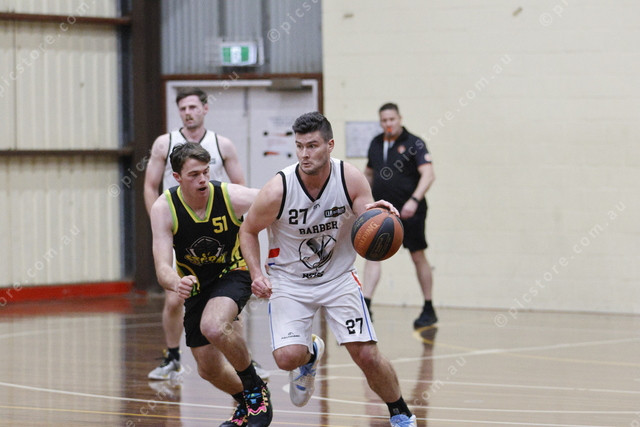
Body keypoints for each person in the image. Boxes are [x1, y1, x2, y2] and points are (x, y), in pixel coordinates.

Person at [239, 112, 418, 427]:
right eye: (299, 146)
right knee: (286, 358)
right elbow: (248, 230)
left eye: (312, 146)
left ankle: (401, 413)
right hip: (290, 281)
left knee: (366, 354)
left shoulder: (349, 178)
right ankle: (309, 355)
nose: (305, 154)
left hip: (338, 278)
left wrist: (380, 214)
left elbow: (367, 217)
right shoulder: (278, 190)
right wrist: (256, 274)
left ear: (330, 145)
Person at [144, 87, 268, 381]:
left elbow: (242, 187)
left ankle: (243, 362)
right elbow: (150, 185)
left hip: (218, 224)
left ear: (205, 108)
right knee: (175, 296)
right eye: (183, 108)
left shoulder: (222, 144)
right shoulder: (164, 144)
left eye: (193, 107)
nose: (188, 113)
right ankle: (172, 356)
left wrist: (241, 226)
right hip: (181, 226)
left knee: (227, 308)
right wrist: (160, 223)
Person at [150, 142, 272, 427]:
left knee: (214, 325)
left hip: (233, 271)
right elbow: (162, 268)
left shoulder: (230, 195)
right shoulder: (164, 208)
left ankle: (255, 389)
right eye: (194, 175)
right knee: (208, 369)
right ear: (177, 177)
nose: (203, 179)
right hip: (195, 285)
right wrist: (177, 282)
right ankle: (246, 404)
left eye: (206, 172)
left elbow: (277, 200)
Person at [363, 103, 437, 329]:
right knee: (372, 255)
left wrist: (414, 200)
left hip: (410, 211)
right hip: (383, 213)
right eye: (384, 120)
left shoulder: (414, 143)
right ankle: (366, 306)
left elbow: (428, 174)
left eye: (392, 119)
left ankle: (428, 307)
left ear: (400, 119)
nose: (388, 124)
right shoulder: (376, 143)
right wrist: (364, 201)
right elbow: (369, 174)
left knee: (417, 255)